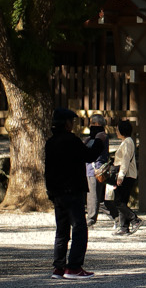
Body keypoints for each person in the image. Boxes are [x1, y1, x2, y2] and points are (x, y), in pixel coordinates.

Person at [44, 107, 92, 278]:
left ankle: (59, 266)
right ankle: (74, 266)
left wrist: (50, 189)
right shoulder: (72, 140)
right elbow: (89, 156)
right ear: (66, 123)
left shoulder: (50, 142)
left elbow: (48, 169)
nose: (73, 124)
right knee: (79, 228)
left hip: (57, 192)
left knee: (62, 230)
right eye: (71, 121)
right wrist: (99, 141)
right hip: (73, 189)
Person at [105, 119, 139, 235]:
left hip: (126, 175)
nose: (116, 131)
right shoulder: (126, 141)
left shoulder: (127, 142)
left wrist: (120, 176)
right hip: (127, 174)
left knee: (118, 201)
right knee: (122, 201)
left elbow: (125, 160)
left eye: (117, 129)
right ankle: (124, 227)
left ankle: (135, 219)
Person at [83, 113, 110, 224]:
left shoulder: (101, 136)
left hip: (95, 167)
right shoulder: (97, 137)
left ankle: (91, 217)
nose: (91, 126)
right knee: (94, 193)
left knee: (93, 194)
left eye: (93, 123)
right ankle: (94, 214)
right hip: (94, 167)